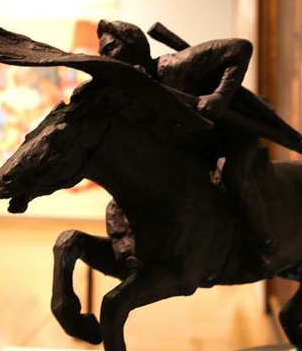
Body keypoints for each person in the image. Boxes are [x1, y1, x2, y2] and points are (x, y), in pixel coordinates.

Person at [96, 20, 277, 265]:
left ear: (133, 46)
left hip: (230, 136)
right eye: (102, 54)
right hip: (197, 145)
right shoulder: (136, 95)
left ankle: (264, 241)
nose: (106, 58)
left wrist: (219, 96)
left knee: (233, 175)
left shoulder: (173, 67)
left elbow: (240, 48)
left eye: (110, 49)